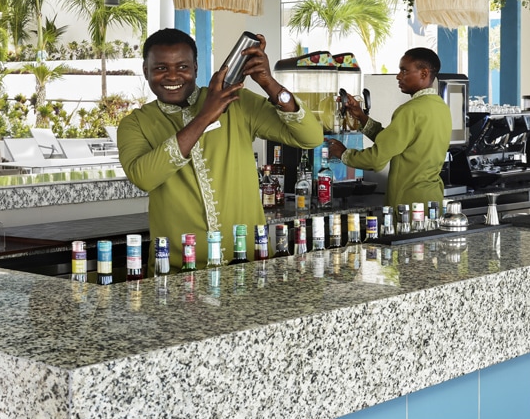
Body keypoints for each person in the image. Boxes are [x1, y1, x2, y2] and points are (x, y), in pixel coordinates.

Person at [117, 28, 323, 265]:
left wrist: (270, 84)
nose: (172, 76)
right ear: (146, 70)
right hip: (178, 272)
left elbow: (312, 137)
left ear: (195, 68)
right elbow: (144, 177)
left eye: (182, 67)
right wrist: (205, 116)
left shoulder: (237, 102)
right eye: (161, 68)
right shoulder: (135, 124)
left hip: (251, 265)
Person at [325, 48, 451, 208]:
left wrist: (344, 153)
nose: (398, 76)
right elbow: (394, 142)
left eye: (404, 71)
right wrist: (361, 117)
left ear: (424, 73)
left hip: (408, 203)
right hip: (432, 200)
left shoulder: (409, 110)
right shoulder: (441, 107)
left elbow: (376, 159)